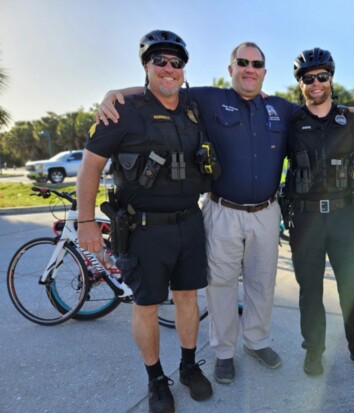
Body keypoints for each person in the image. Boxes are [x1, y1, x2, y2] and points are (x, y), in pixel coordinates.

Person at [97, 41, 296, 385]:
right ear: (231, 67)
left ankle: (257, 341)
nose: (250, 68)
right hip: (223, 211)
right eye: (242, 62)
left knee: (262, 283)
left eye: (257, 64)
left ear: (264, 71)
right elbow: (163, 86)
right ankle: (223, 352)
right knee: (219, 285)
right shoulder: (207, 98)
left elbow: (317, 112)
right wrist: (116, 94)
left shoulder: (280, 107)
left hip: (267, 211)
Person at [77, 30, 213, 413]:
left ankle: (188, 366)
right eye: (160, 61)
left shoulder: (192, 105)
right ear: (146, 66)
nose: (169, 69)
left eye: (176, 62)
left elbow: (237, 94)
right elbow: (90, 166)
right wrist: (86, 221)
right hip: (144, 229)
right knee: (147, 304)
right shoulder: (123, 109)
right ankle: (156, 379)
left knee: (188, 297)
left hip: (190, 220)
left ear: (184, 69)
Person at [283, 48, 354, 377]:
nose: (315, 84)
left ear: (331, 79)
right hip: (305, 218)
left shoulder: (351, 120)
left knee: (352, 287)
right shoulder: (290, 122)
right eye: (307, 79)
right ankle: (314, 351)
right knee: (310, 290)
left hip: (343, 216)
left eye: (321, 77)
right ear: (300, 85)